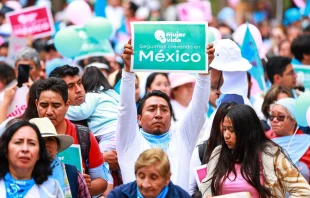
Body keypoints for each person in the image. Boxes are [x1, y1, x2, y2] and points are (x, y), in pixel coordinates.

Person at [116, 39, 213, 191]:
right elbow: (125, 108)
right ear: (138, 119)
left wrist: (204, 72)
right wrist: (128, 70)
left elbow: (199, 108)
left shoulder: (182, 139)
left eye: (164, 109)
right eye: (152, 109)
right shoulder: (129, 139)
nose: (158, 114)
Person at [200, 105, 310, 198]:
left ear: (247, 131)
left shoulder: (271, 154)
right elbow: (206, 184)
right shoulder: (219, 153)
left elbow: (303, 191)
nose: (226, 135)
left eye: (231, 130)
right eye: (224, 129)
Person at [35, 77, 108, 196]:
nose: (49, 111)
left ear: (67, 105)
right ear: (36, 104)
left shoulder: (84, 136)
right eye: (43, 105)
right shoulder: (24, 135)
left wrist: (83, 185)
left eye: (56, 105)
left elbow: (102, 182)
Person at [66, 66, 120, 195]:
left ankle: (108, 193)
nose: (78, 90)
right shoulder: (111, 94)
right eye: (70, 86)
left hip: (109, 135)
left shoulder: (92, 97)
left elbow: (82, 112)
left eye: (80, 83)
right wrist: (102, 157)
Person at [30, 117, 91, 198]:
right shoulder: (18, 176)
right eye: (40, 140)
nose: (46, 144)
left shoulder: (73, 174)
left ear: (57, 146)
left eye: (50, 139)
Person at [0, 120, 64, 197]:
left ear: (39, 154)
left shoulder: (52, 190)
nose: (25, 149)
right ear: (5, 150)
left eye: (32, 143)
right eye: (18, 142)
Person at [189, 102, 238, 196]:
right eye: (224, 126)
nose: (227, 133)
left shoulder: (248, 152)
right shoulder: (202, 150)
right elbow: (191, 188)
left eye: (232, 126)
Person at [107, 148, 191, 198]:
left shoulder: (182, 196)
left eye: (153, 177)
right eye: (141, 177)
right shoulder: (118, 195)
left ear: (167, 178)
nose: (146, 184)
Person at [265, 98, 310, 182]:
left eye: (280, 117)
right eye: (272, 116)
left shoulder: (307, 142)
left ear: (293, 120)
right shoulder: (263, 139)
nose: (274, 120)